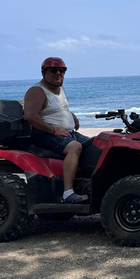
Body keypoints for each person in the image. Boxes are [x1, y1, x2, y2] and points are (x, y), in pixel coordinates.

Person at [23, 57, 91, 204]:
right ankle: (68, 193)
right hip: (44, 134)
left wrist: (73, 118)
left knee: (97, 143)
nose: (58, 74)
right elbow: (30, 116)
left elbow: (59, 108)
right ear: (43, 72)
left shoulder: (59, 88)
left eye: (62, 71)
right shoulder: (37, 91)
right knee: (75, 147)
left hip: (66, 133)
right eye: (53, 70)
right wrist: (53, 130)